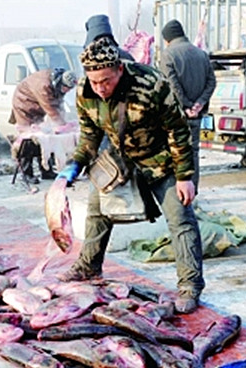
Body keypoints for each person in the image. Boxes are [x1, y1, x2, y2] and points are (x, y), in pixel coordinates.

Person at [57, 37, 204, 314]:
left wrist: (184, 175)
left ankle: (190, 286)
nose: (101, 88)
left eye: (106, 81)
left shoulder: (152, 84)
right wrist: (75, 164)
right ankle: (88, 266)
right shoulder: (84, 92)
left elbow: (178, 130)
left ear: (120, 70)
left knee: (180, 217)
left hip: (161, 158)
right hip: (120, 158)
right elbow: (90, 136)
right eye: (95, 81)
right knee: (96, 208)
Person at [160, 19, 216, 193]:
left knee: (175, 154)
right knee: (193, 153)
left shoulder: (168, 55)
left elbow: (171, 84)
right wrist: (198, 104)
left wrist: (186, 105)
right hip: (196, 116)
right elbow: (211, 82)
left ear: (167, 38)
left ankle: (179, 195)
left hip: (176, 116)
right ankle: (194, 192)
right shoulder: (202, 54)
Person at [9, 68, 78, 183]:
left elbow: (58, 104)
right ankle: (27, 173)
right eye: (65, 88)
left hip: (37, 106)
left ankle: (46, 170)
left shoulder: (58, 83)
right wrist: (63, 125)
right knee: (28, 139)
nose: (66, 91)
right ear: (60, 82)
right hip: (24, 104)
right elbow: (51, 109)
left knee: (45, 137)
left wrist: (64, 118)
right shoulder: (44, 86)